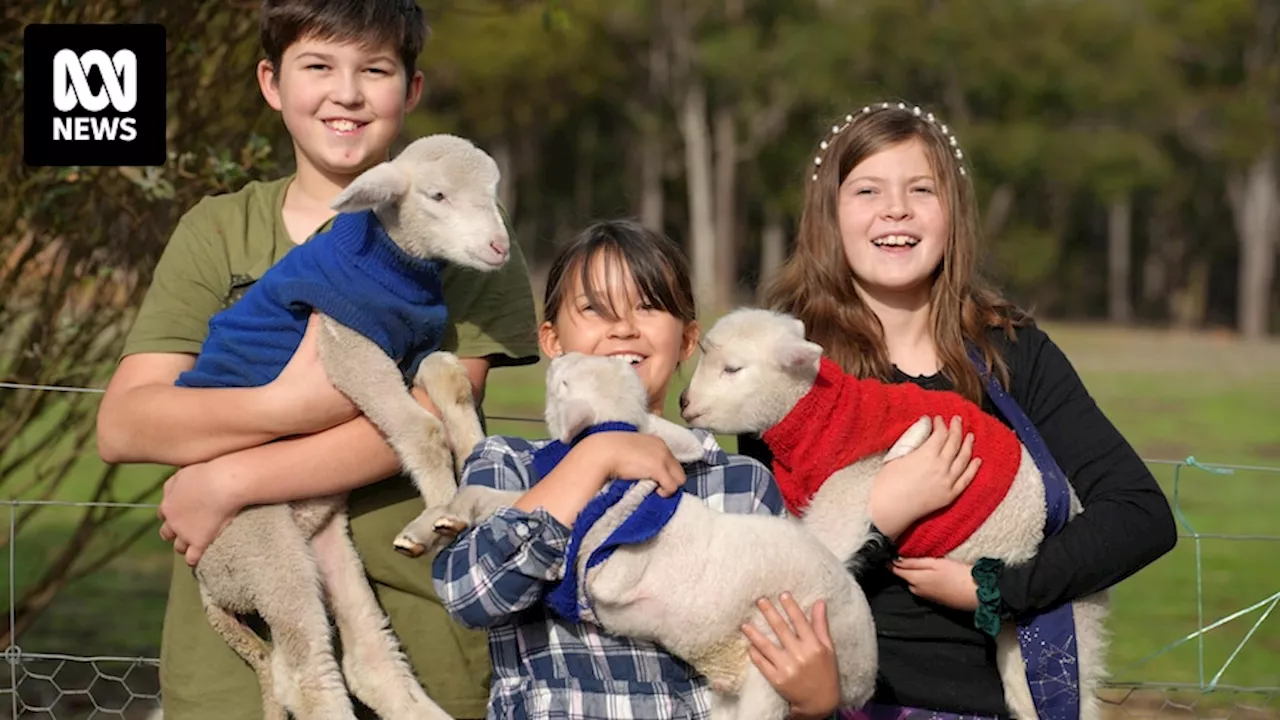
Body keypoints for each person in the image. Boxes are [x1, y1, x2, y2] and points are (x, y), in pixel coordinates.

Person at [94, 1, 541, 718]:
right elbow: (125, 425)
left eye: (375, 68)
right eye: (318, 66)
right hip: (236, 677)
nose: (348, 92)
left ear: (412, 88)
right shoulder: (219, 231)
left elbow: (436, 413)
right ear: (271, 83)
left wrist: (232, 478)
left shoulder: (461, 232)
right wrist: (283, 405)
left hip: (426, 633)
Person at [740, 101, 1178, 718]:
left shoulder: (1011, 353)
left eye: (922, 189)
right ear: (829, 215)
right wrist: (884, 510)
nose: (896, 208)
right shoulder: (789, 367)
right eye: (867, 189)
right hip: (844, 701)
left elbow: (1140, 515)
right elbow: (774, 575)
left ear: (953, 216)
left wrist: (996, 590)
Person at [433, 219, 861, 720]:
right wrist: (598, 457)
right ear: (551, 340)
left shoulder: (737, 484)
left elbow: (780, 651)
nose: (624, 327)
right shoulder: (510, 465)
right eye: (594, 308)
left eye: (648, 306)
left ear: (687, 340)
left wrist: (815, 704)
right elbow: (471, 592)